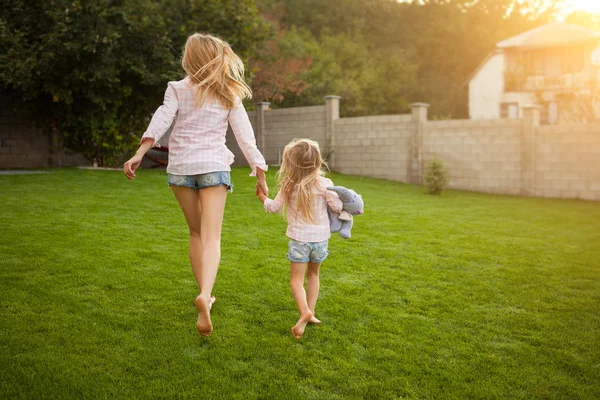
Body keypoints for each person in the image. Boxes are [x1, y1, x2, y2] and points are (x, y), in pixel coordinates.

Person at [123, 33, 268, 337]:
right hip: (214, 166)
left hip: (181, 169)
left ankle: (205, 294)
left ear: (189, 59)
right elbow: (245, 135)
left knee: (195, 232)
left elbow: (161, 119)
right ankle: (205, 293)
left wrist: (139, 153)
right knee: (212, 237)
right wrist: (261, 172)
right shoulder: (229, 91)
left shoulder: (176, 89)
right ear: (217, 58)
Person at [257, 139, 342, 339]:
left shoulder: (289, 184)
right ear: (317, 162)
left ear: (291, 164)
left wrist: (261, 196)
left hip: (299, 240)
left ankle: (305, 311)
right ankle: (310, 312)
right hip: (321, 240)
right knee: (314, 275)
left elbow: (273, 207)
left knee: (296, 280)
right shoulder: (325, 184)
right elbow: (337, 207)